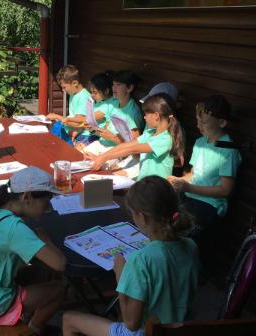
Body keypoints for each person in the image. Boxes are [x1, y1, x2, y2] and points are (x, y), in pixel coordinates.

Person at [62, 176, 200, 336]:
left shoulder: (141, 260)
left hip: (147, 332)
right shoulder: (191, 246)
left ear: (141, 217)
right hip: (179, 327)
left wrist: (121, 276)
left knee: (68, 319)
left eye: (133, 214)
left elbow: (131, 324)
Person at [0, 166, 67, 335]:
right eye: (46, 200)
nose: (48, 207)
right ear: (26, 197)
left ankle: (28, 318)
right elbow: (60, 264)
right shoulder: (14, 228)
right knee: (60, 289)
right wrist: (45, 239)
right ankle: (34, 329)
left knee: (44, 272)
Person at [167, 95, 241, 239]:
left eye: (204, 122)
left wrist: (188, 188)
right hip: (190, 197)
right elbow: (194, 174)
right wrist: (177, 181)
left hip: (209, 205)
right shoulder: (200, 142)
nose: (198, 125)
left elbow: (225, 190)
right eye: (198, 120)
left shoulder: (228, 150)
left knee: (180, 234)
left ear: (222, 122)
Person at [86, 93, 186, 180]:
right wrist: (101, 157)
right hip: (144, 183)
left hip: (156, 188)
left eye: (146, 114)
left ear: (156, 115)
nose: (144, 117)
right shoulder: (150, 133)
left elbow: (133, 149)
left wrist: (105, 157)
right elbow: (127, 146)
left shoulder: (165, 139)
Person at [46, 65, 92, 146]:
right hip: (73, 132)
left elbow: (79, 123)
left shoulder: (84, 97)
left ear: (75, 83)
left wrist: (57, 117)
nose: (63, 90)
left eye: (64, 87)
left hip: (82, 136)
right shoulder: (73, 94)